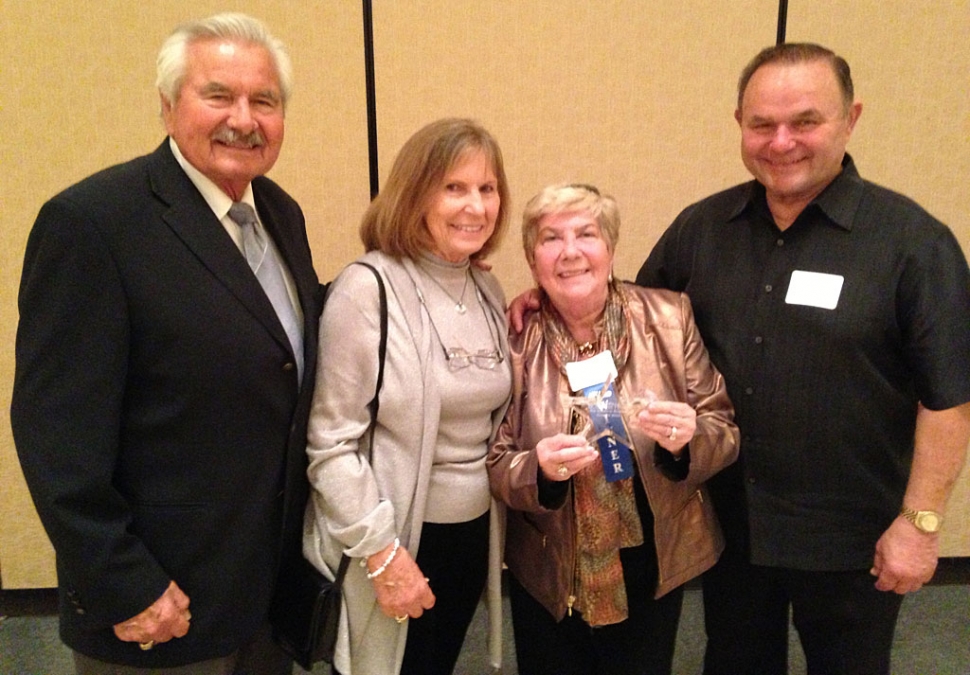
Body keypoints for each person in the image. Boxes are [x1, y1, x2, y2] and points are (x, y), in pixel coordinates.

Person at [635, 43, 970, 675]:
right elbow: (631, 323)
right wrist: (545, 306)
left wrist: (920, 525)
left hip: (853, 536)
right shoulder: (701, 229)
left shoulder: (914, 244)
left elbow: (949, 397)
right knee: (733, 662)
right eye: (763, 124)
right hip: (731, 524)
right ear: (740, 123)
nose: (782, 141)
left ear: (852, 118)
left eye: (806, 122)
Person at [10, 13, 322, 674]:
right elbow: (54, 433)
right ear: (167, 105)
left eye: (264, 101)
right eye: (219, 95)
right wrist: (123, 582)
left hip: (264, 597)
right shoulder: (95, 223)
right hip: (159, 606)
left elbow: (284, 343)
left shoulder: (280, 213)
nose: (245, 118)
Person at [490, 183, 739, 675]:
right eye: (550, 238)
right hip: (549, 559)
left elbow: (723, 427)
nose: (570, 252)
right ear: (531, 257)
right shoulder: (514, 339)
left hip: (654, 550)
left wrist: (690, 441)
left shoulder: (669, 317)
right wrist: (536, 470)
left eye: (586, 234)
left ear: (610, 247)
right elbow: (496, 461)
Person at [302, 118, 512, 675]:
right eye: (454, 187)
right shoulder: (366, 290)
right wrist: (382, 554)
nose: (476, 206)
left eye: (486, 189)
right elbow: (329, 445)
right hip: (393, 539)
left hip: (471, 536)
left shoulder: (486, 286)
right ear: (415, 194)